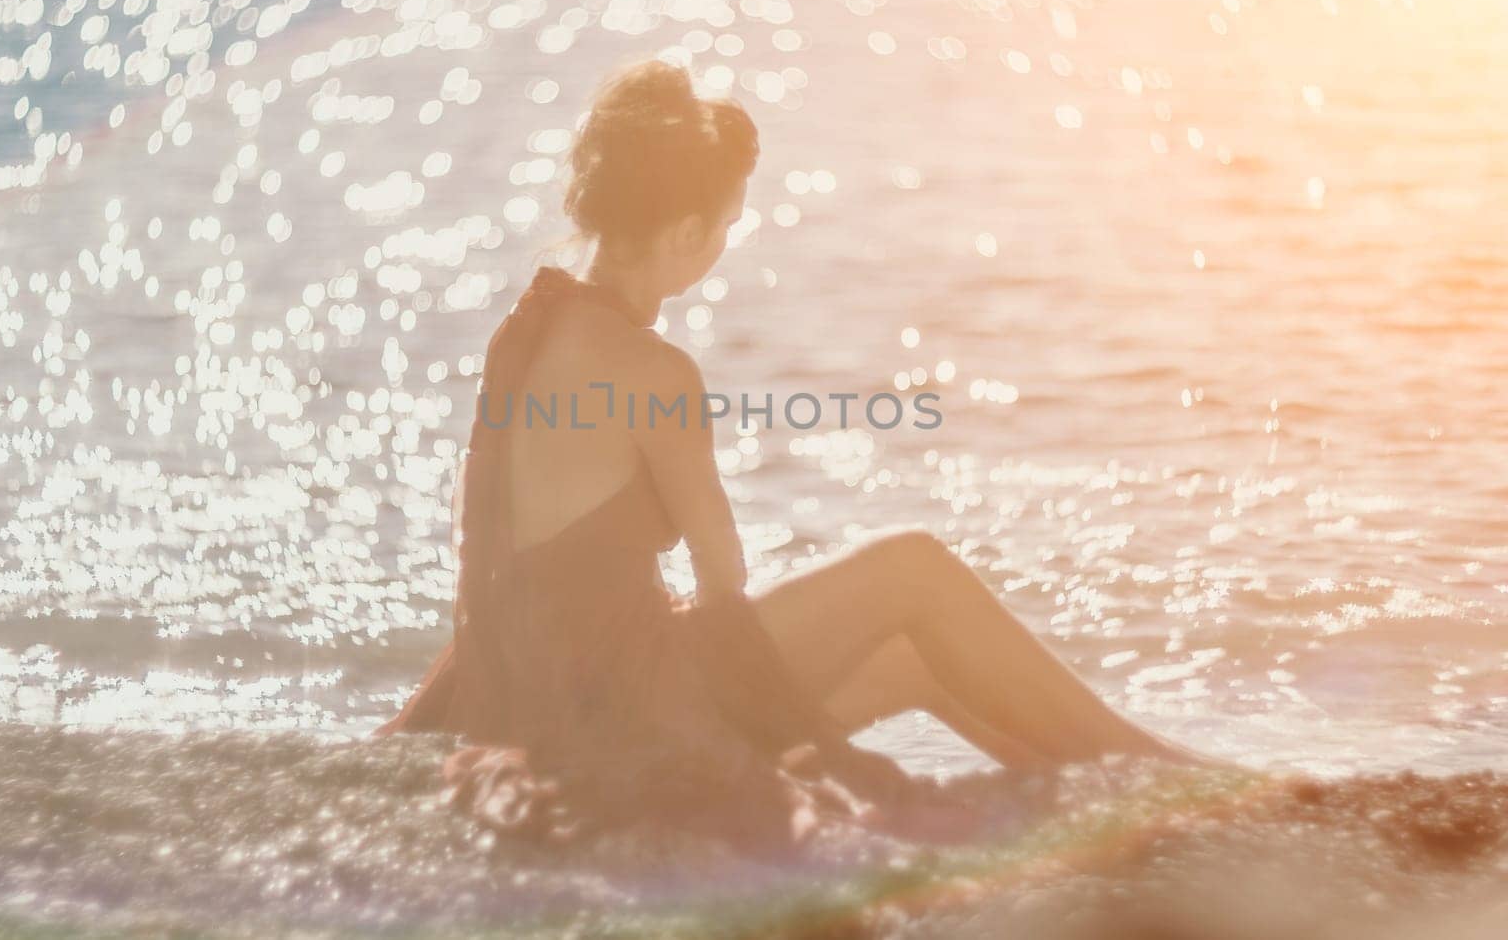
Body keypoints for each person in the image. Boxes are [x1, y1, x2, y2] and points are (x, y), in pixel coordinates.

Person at [376, 59, 1201, 851]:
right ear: (687, 231)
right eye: (728, 224)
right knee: (913, 567)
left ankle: (1113, 795)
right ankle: (1167, 775)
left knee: (909, 665)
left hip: (553, 690)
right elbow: (723, 581)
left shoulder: (528, 330)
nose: (725, 241)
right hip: (621, 711)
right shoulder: (654, 371)